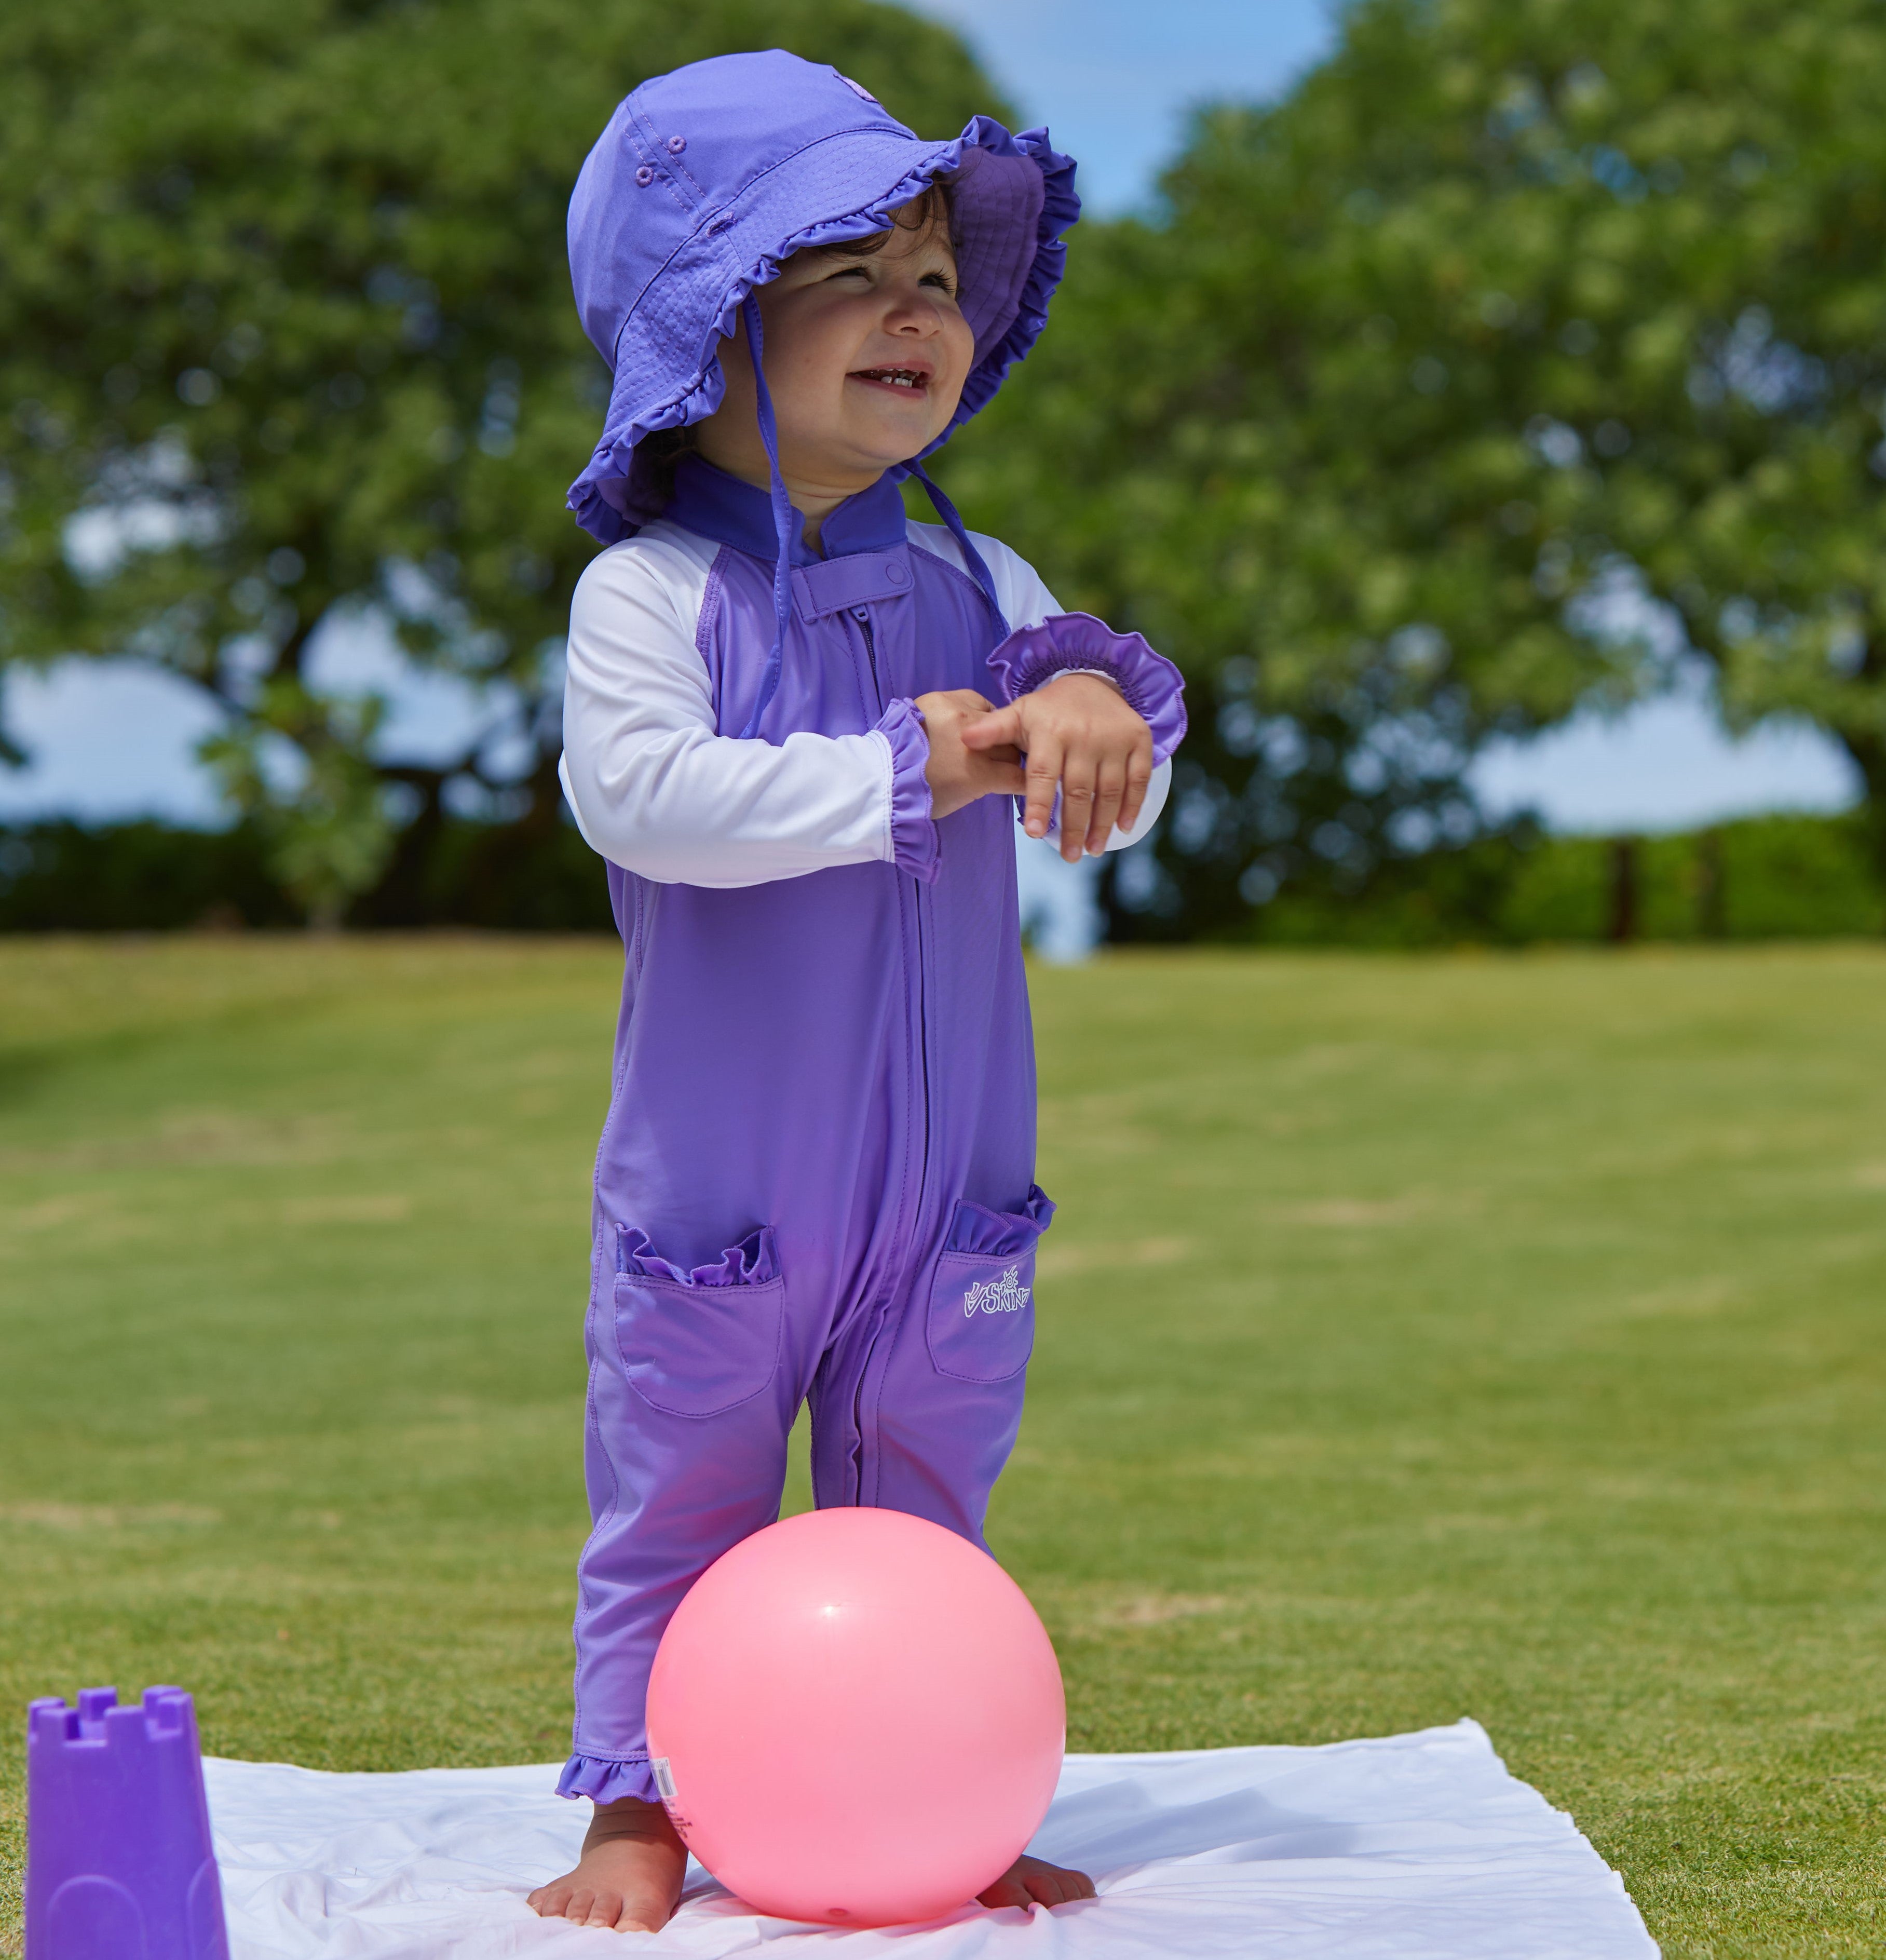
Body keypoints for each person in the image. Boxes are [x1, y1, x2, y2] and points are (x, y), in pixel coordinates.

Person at [527, 49, 1187, 1934]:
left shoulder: (990, 577)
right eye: (846, 272)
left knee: (924, 1493)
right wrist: (906, 775)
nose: (916, 309)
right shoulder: (653, 597)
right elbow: (642, 801)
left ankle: (932, 1795)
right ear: (710, 331)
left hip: (950, 1177)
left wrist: (1088, 714)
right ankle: (639, 1808)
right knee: (680, 1492)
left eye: (931, 273)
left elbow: (1111, 787)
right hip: (727, 1188)